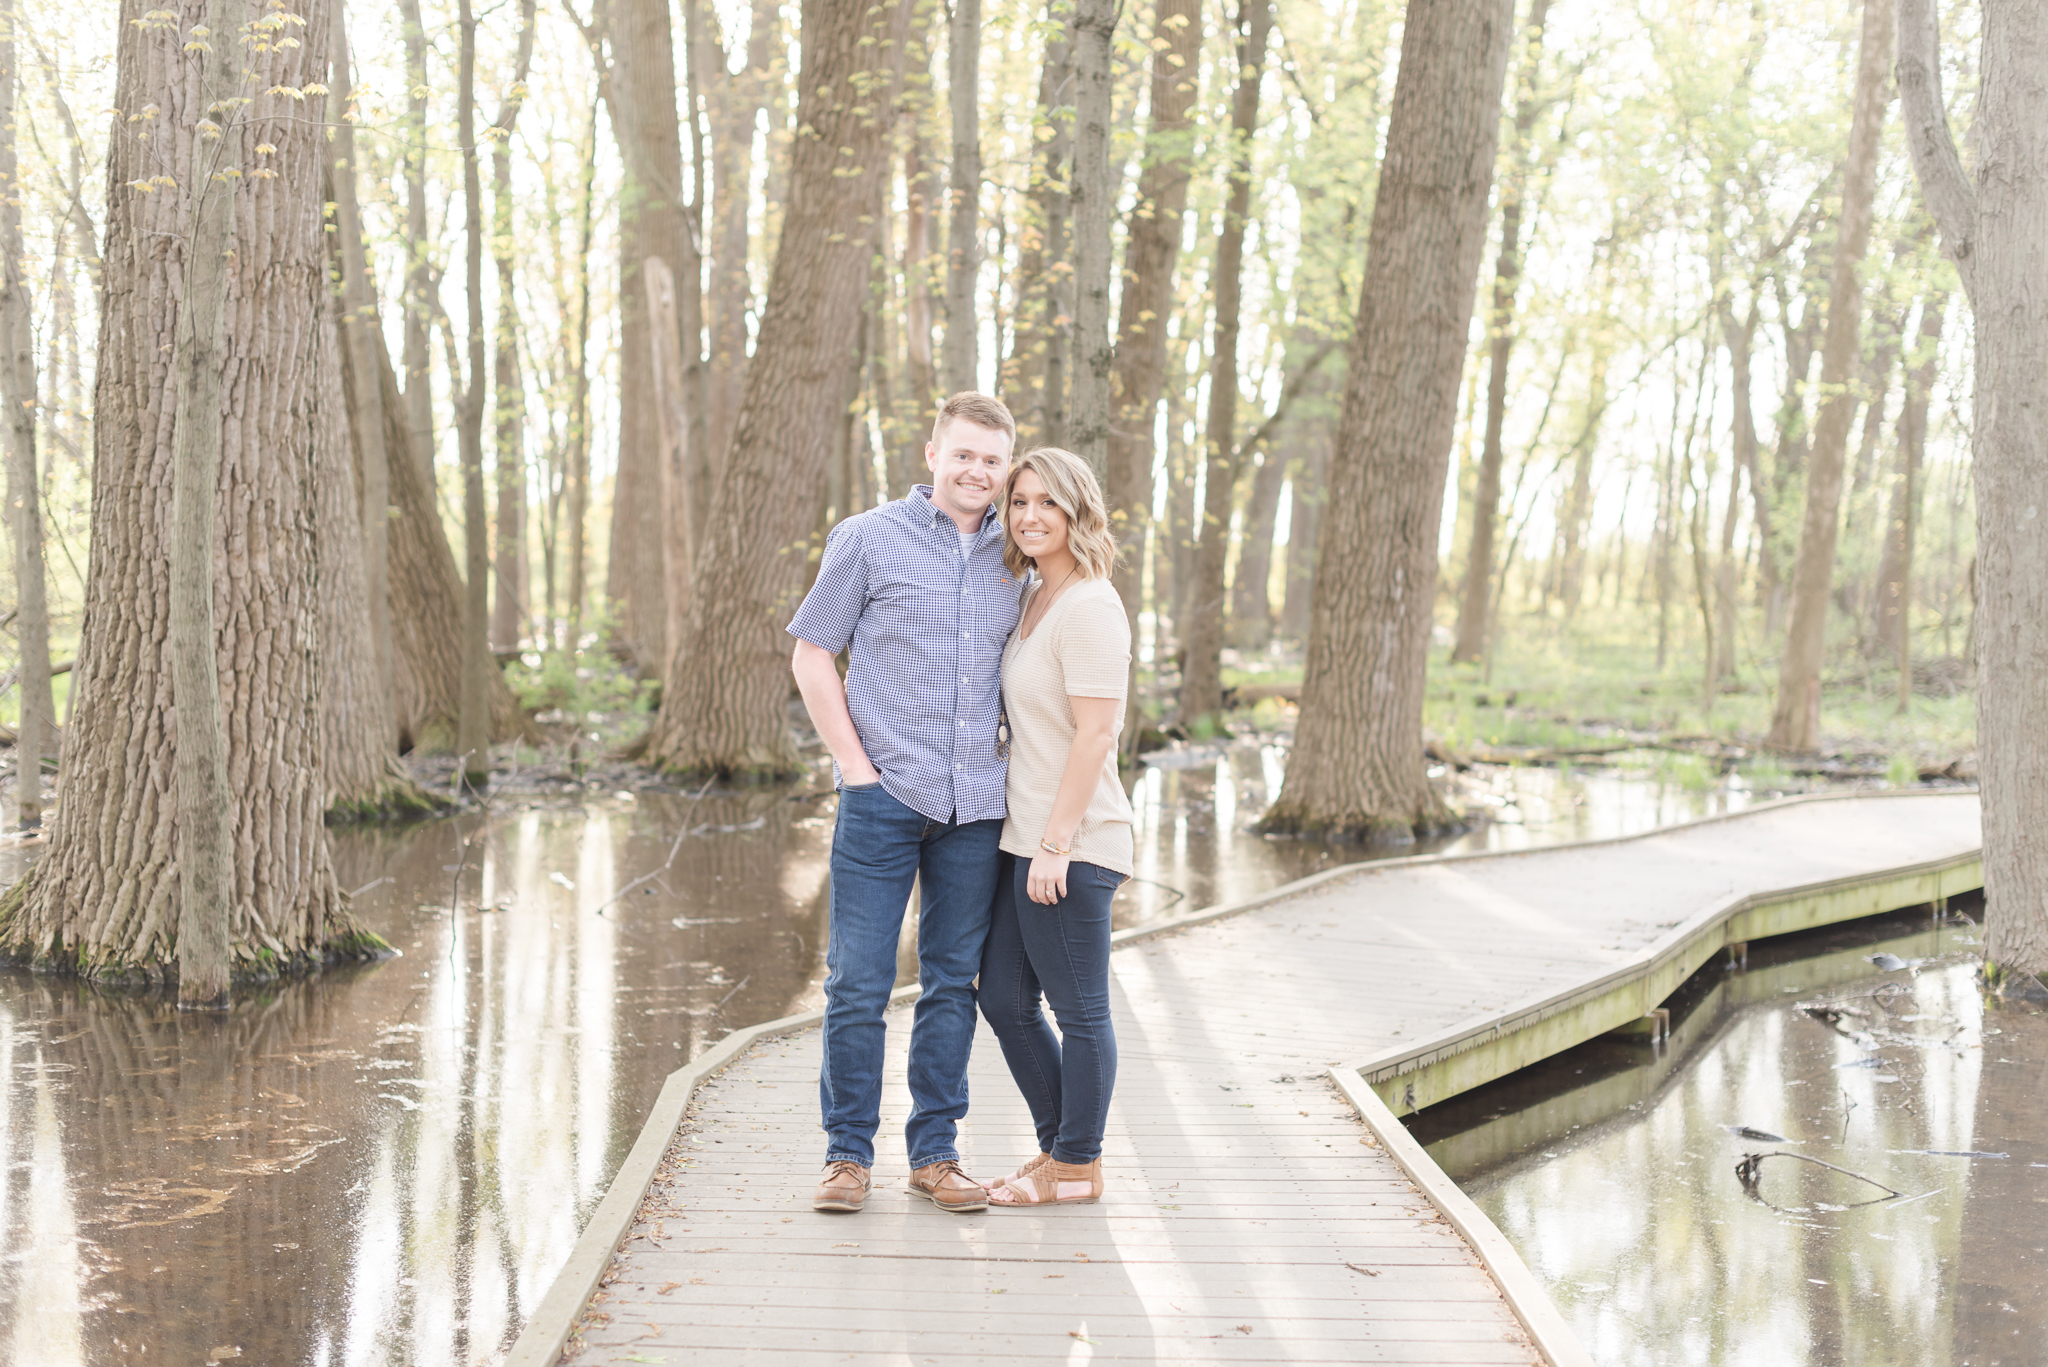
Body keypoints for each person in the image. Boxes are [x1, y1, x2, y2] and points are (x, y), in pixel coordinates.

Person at [787, 391, 1021, 1215]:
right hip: (883, 797)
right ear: (932, 454)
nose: (976, 471)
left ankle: (935, 1155)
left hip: (977, 807)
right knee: (857, 981)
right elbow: (813, 654)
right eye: (963, 454)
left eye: (992, 460)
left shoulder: (1015, 556)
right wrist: (854, 769)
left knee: (952, 982)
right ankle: (847, 1155)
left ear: (1005, 469)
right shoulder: (866, 539)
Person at [976, 447, 1133, 1207]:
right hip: (1025, 836)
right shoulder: (1036, 593)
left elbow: (1095, 735)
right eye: (1020, 501)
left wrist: (1058, 843)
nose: (1031, 515)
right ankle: (1060, 1150)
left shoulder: (1092, 605)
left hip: (1073, 842)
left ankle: (1076, 1166)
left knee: (1080, 1012)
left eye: (1048, 503)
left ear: (1078, 512)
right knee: (1002, 998)